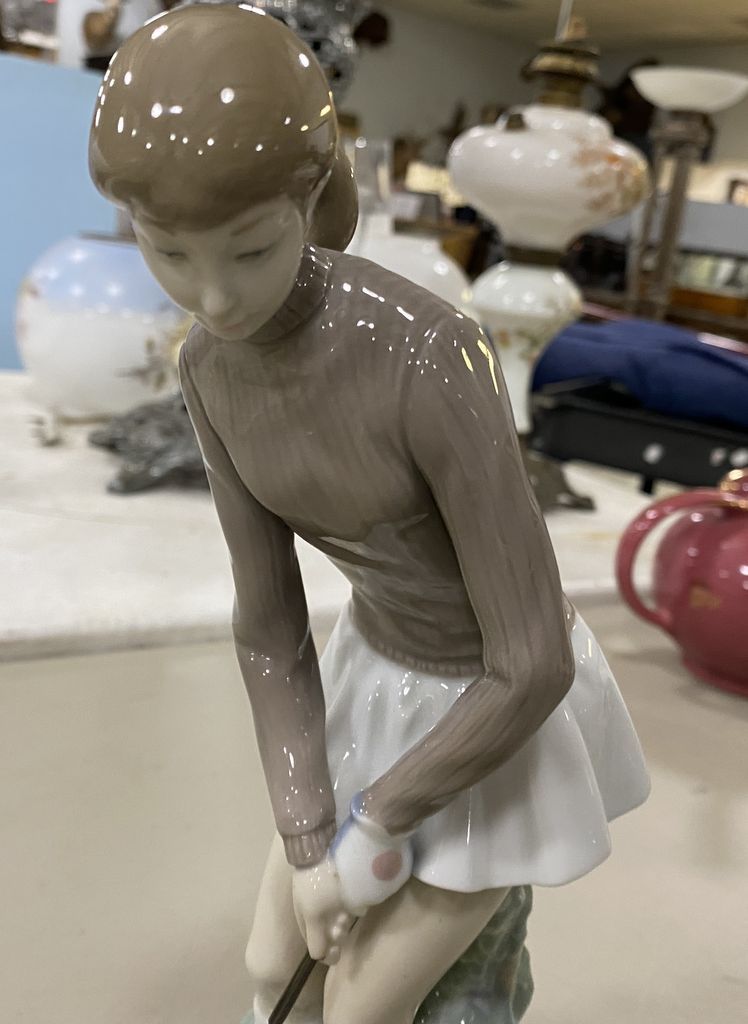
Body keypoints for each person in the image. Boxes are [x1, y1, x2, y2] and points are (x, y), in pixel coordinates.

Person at [89, 8, 650, 1024]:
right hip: (373, 673)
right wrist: (309, 835)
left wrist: (379, 825)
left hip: (494, 706)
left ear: (312, 195)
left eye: (252, 250)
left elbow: (531, 660)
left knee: (360, 1009)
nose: (213, 298)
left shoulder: (432, 354)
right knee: (271, 966)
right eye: (168, 253)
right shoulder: (209, 369)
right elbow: (269, 626)